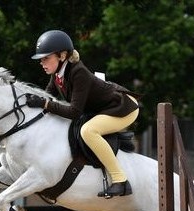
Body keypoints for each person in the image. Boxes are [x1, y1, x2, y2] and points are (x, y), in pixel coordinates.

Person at [26, 30, 140, 198]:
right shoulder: (57, 73)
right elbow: (47, 96)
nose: (42, 63)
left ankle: (120, 180)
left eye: (46, 58)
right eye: (41, 59)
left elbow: (73, 112)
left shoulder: (78, 73)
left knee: (88, 131)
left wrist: (45, 104)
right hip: (103, 108)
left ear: (62, 56)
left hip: (123, 108)